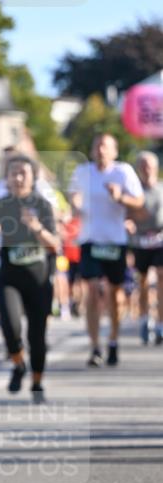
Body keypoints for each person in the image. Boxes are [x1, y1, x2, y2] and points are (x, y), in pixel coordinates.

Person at [0, 155, 60, 403]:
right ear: (6, 178)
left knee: (37, 336)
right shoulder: (0, 204)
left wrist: (36, 227)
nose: (18, 178)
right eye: (13, 173)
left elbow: (55, 244)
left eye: (23, 173)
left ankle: (37, 383)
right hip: (10, 277)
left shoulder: (43, 205)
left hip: (38, 278)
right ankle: (18, 364)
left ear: (33, 177)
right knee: (10, 326)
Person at [69, 134, 144, 367]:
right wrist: (75, 203)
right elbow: (73, 196)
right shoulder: (83, 172)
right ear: (92, 150)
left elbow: (139, 202)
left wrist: (120, 197)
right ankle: (95, 347)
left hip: (115, 240)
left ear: (114, 151)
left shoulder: (123, 172)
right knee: (91, 289)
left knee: (115, 294)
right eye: (96, 145)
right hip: (90, 240)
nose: (100, 150)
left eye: (105, 146)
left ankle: (113, 339)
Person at [130, 151, 163, 345]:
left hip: (160, 240)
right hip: (139, 241)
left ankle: (160, 322)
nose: (146, 168)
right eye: (142, 165)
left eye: (149, 164)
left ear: (156, 167)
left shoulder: (161, 188)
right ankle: (144, 319)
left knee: (161, 276)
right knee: (141, 281)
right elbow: (126, 212)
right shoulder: (134, 191)